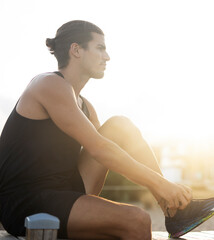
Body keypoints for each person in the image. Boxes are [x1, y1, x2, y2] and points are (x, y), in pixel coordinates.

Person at [0, 20, 193, 240]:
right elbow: (100, 150)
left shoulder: (86, 106)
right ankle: (168, 198)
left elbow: (106, 153)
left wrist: (163, 189)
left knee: (120, 126)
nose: (107, 56)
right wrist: (162, 183)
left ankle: (171, 209)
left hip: (65, 191)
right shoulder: (47, 85)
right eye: (100, 48)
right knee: (137, 220)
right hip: (27, 201)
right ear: (76, 50)